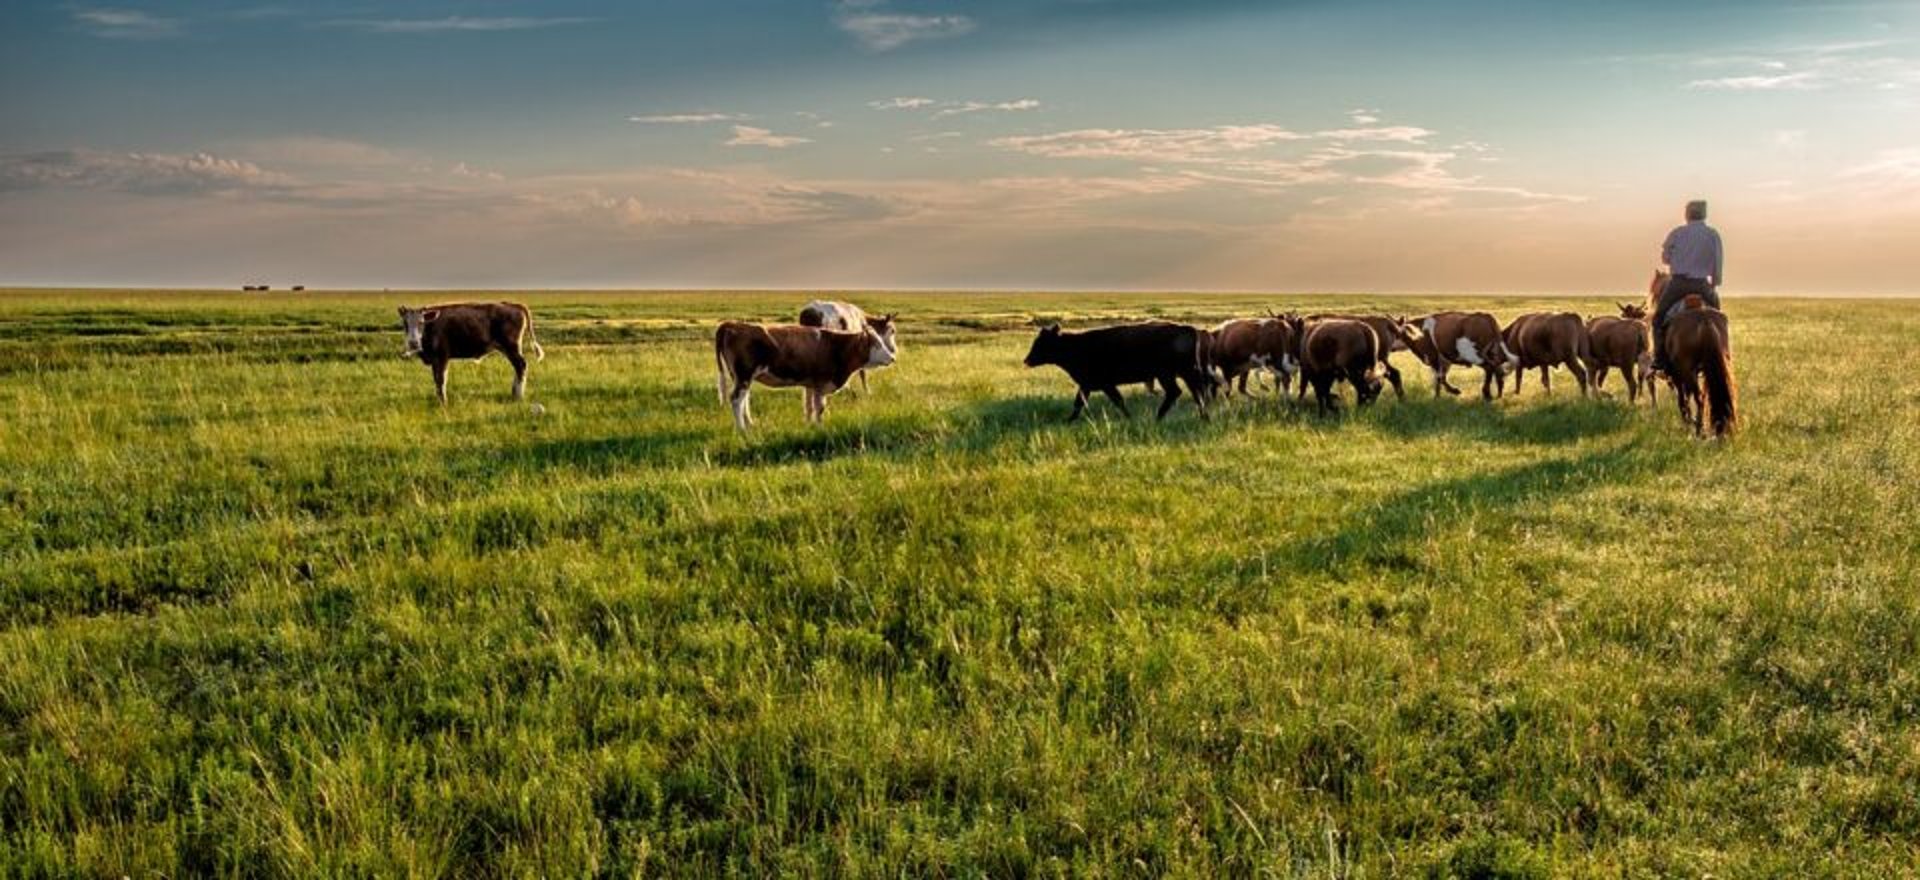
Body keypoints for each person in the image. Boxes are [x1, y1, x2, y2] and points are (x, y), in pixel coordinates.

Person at [1652, 199, 1723, 374]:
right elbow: (1718, 262)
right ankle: (1722, 352)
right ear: (1704, 214)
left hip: (1678, 284)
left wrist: (1677, 259)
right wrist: (1714, 284)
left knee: (1658, 318)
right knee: (1718, 318)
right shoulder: (1713, 234)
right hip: (1702, 285)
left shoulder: (1677, 233)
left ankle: (1659, 358)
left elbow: (1665, 258)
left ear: (1686, 214)